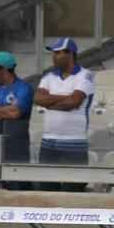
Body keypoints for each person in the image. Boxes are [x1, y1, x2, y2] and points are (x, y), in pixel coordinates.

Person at [34, 38, 94, 192]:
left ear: (71, 54)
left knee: (72, 190)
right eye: (53, 53)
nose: (54, 56)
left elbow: (73, 102)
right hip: (48, 142)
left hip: (74, 143)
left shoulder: (85, 75)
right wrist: (64, 97)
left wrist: (50, 102)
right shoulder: (48, 77)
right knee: (46, 189)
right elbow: (38, 99)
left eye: (58, 53)